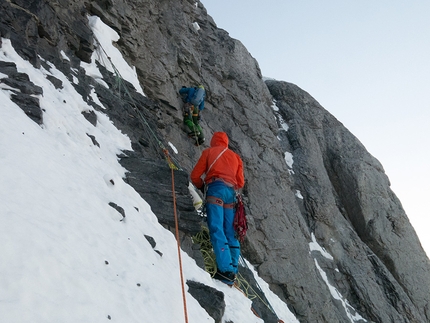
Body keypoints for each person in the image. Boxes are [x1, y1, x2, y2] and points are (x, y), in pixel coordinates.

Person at [191, 132, 245, 284]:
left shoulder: (209, 152)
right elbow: (240, 183)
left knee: (216, 228)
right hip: (231, 194)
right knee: (229, 231)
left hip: (215, 189)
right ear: (226, 143)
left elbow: (195, 175)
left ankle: (225, 271)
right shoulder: (236, 157)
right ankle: (233, 268)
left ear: (214, 141)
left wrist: (202, 187)